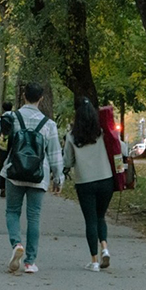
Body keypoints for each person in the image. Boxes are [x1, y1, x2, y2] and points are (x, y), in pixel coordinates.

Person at [2, 82, 63, 275]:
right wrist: (58, 178)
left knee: (12, 211)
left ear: (23, 96)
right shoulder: (49, 125)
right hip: (39, 175)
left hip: (14, 173)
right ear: (41, 99)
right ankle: (30, 262)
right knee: (33, 217)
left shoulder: (11, 118)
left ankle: (16, 243)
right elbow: (54, 154)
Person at [63, 97, 115, 272]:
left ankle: (94, 261)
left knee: (90, 220)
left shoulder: (71, 136)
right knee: (101, 216)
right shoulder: (102, 132)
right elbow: (120, 148)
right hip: (106, 179)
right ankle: (105, 248)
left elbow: (68, 161)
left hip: (85, 182)